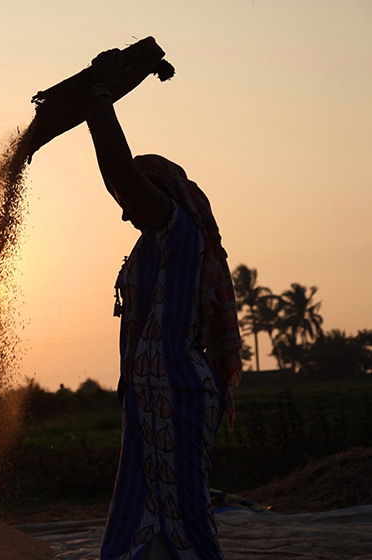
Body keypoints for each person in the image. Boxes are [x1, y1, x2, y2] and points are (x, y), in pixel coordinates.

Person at [85, 50, 242, 560]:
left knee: (186, 517)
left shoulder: (176, 226)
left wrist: (99, 101)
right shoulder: (151, 243)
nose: (125, 212)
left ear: (155, 192)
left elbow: (120, 173)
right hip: (151, 395)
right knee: (136, 517)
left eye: (128, 199)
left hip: (177, 390)